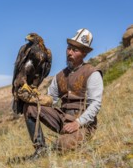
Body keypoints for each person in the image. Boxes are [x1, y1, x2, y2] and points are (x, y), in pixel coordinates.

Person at [23, 28, 103, 159]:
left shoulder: (92, 73)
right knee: (30, 107)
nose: (70, 52)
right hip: (62, 120)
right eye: (69, 48)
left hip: (83, 124)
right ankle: (40, 150)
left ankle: (65, 142)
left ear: (84, 53)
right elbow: (52, 99)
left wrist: (78, 122)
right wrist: (35, 98)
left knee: (61, 145)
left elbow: (95, 104)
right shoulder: (59, 76)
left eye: (75, 50)